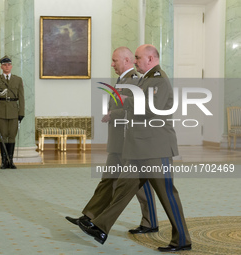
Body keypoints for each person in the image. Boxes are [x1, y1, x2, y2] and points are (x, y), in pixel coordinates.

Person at [78, 45, 192, 252]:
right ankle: (100, 227)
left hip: (155, 149)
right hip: (140, 148)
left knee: (167, 194)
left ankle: (182, 240)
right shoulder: (146, 79)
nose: (135, 61)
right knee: (123, 189)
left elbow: (150, 109)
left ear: (150, 58)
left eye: (138, 58)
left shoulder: (158, 78)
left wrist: (126, 100)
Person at [66, 47, 158, 235]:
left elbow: (137, 109)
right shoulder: (122, 79)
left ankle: (150, 222)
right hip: (117, 140)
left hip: (128, 140)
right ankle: (89, 216)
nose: (112, 64)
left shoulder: (135, 80)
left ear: (126, 60)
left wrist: (113, 114)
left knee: (140, 186)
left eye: (114, 60)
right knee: (107, 180)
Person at [0, 55, 25, 169]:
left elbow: (21, 97)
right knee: (3, 136)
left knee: (12, 136)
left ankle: (11, 160)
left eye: (9, 64)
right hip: (1, 112)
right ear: (1, 67)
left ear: (11, 66)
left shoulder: (18, 80)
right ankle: (4, 161)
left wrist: (21, 113)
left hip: (14, 111)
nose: (7, 66)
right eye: (5, 65)